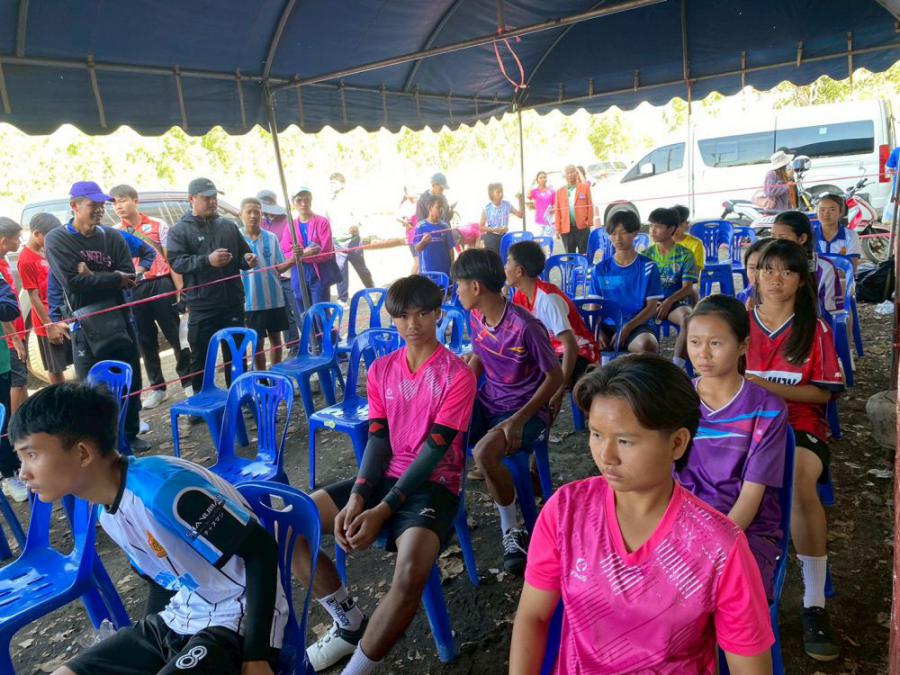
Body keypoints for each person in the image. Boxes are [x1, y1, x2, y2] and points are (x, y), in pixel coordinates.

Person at [509, 355, 774, 673]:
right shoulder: (566, 512)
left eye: (625, 441)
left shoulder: (719, 548)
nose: (605, 456)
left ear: (677, 443)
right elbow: (534, 616)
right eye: (596, 434)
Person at [11, 383, 287, 675]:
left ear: (82, 453)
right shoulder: (106, 509)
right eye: (20, 458)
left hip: (238, 617)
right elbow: (162, 582)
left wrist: (256, 657)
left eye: (32, 455)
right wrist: (149, 651)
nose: (23, 473)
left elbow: (261, 550)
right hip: (183, 614)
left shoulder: (163, 491)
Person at [290, 275, 476, 673]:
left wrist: (383, 509)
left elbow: (434, 452)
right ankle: (348, 622)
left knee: (409, 577)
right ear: (392, 319)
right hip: (384, 476)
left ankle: (357, 669)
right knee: (291, 526)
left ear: (438, 314)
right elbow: (378, 439)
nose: (413, 324)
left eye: (422, 314)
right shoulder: (381, 369)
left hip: (435, 484)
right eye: (403, 316)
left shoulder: (457, 375)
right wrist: (359, 496)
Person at [744, 238, 844, 662]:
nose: (775, 279)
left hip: (799, 424)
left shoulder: (814, 329)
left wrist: (765, 387)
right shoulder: (737, 322)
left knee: (800, 483)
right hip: (743, 425)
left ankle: (814, 603)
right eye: (767, 269)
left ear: (802, 281)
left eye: (787, 271)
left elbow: (823, 395)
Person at [452, 249, 563, 574]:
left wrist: (519, 419)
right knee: (443, 430)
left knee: (484, 452)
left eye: (459, 285)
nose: (456, 292)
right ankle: (450, 511)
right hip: (490, 401)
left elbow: (555, 376)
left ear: (475, 287)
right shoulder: (476, 316)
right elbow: (478, 357)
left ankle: (511, 528)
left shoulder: (525, 326)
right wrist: (459, 393)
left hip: (526, 411)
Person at [679, 294, 789, 601]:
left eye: (716, 343)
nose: (702, 353)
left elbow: (751, 496)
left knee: (719, 596)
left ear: (743, 346)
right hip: (680, 523)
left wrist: (712, 548)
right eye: (694, 342)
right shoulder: (676, 399)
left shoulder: (767, 410)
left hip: (743, 528)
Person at [45, 181, 149, 453]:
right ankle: (102, 443)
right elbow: (72, 283)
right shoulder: (57, 239)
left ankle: (130, 433)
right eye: (93, 205)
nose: (100, 210)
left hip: (120, 317)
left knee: (129, 378)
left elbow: (129, 276)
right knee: (91, 386)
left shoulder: (112, 237)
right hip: (84, 323)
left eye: (102, 205)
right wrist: (113, 277)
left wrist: (93, 275)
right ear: (74, 206)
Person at [168, 178, 258, 394]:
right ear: (191, 199)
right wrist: (207, 260)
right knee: (200, 357)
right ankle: (201, 400)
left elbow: (243, 255)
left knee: (236, 354)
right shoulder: (179, 230)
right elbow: (177, 262)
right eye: (206, 198)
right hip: (202, 305)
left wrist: (248, 259)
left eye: (214, 197)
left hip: (232, 302)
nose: (212, 201)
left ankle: (240, 396)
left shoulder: (228, 226)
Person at [111, 184, 193, 407]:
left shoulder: (158, 224)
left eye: (122, 200)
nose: (118, 206)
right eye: (114, 202)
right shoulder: (114, 232)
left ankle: (188, 381)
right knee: (145, 340)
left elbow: (171, 259)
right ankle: (157, 388)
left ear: (135, 201)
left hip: (161, 284)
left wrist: (180, 290)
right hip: (134, 288)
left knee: (176, 335)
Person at [506, 240, 599, 422]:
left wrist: (559, 389)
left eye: (508, 262)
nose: (505, 267)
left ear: (519, 271)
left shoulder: (548, 299)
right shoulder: (519, 296)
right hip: (550, 352)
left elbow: (571, 346)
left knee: (547, 381)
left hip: (579, 352)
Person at [589, 210, 663, 355]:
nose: (618, 238)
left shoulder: (648, 267)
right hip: (607, 326)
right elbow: (594, 307)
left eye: (623, 232)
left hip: (637, 325)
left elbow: (652, 308)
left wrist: (627, 328)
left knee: (647, 345)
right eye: (613, 233)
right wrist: (597, 331)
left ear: (635, 233)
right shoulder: (600, 269)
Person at [239, 198, 292, 370]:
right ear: (241, 215)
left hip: (274, 298)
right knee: (257, 343)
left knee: (277, 340)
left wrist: (296, 258)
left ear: (262, 214)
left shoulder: (271, 237)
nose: (253, 215)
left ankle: (276, 374)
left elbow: (279, 267)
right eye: (249, 212)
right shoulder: (236, 239)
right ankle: (262, 378)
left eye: (257, 212)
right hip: (251, 302)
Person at [18, 213, 69, 386]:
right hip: (47, 320)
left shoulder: (46, 251)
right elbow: (33, 297)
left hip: (61, 313)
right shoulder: (26, 260)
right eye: (50, 236)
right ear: (36, 234)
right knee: (55, 367)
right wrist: (49, 325)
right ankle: (60, 398)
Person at [645, 207, 698, 367]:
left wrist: (668, 302)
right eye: (651, 226)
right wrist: (651, 303)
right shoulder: (646, 255)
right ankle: (649, 367)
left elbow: (687, 288)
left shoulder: (685, 255)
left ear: (671, 229)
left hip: (676, 302)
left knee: (687, 318)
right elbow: (642, 286)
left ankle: (677, 366)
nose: (653, 230)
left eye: (658, 226)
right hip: (650, 303)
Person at [770, 210, 842, 314]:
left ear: (802, 238)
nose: (776, 243)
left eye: (783, 238)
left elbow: (832, 312)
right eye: (773, 237)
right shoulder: (766, 263)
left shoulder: (824, 268)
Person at [257, 189, 301, 353]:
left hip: (289, 271)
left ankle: (311, 341)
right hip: (270, 276)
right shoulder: (257, 223)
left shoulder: (287, 221)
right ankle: (293, 345)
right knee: (284, 314)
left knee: (298, 309)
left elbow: (292, 245)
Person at [279, 187, 337, 310]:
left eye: (307, 200)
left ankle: (323, 325)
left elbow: (327, 252)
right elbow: (285, 252)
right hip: (298, 273)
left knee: (320, 311)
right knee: (303, 310)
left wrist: (299, 256)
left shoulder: (322, 222)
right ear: (293, 203)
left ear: (311, 201)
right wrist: (306, 253)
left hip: (319, 273)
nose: (303, 203)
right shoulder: (290, 226)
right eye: (299, 200)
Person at [326, 173, 375, 306]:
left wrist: (356, 225)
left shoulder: (350, 199)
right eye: (330, 183)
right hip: (337, 241)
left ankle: (372, 290)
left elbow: (360, 216)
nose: (331, 185)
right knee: (340, 270)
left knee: (361, 268)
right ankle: (342, 299)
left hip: (353, 240)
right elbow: (327, 220)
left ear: (342, 184)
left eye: (334, 183)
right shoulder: (329, 202)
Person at [0, 218, 29, 414]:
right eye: (17, 238)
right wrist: (14, 338)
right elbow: (3, 312)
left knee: (21, 377)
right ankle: (12, 425)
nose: (19, 242)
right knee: (16, 380)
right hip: (8, 338)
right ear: (4, 240)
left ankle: (23, 421)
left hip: (16, 331)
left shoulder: (4, 260)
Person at [0, 274, 24, 501]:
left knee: (4, 419)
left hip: (1, 362)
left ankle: (10, 472)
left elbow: (9, 307)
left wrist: (14, 337)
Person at [815, 193, 861, 272]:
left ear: (841, 212)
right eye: (822, 210)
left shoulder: (850, 235)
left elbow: (852, 269)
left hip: (841, 279)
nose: (826, 214)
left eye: (832, 209)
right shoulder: (810, 235)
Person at [553, 165, 593, 254]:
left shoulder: (585, 188)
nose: (570, 174)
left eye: (572, 172)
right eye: (568, 173)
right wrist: (557, 229)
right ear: (564, 176)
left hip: (583, 227)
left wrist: (589, 223)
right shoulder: (559, 192)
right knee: (570, 255)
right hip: (566, 229)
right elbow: (557, 211)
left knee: (584, 253)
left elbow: (590, 205)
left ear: (576, 173)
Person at [413, 195, 455, 276]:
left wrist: (452, 264)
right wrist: (423, 242)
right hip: (427, 271)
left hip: (444, 270)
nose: (441, 210)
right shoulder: (420, 226)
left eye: (442, 207)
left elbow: (450, 248)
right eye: (438, 207)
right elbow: (417, 248)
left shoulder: (445, 226)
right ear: (430, 208)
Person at [479, 183, 524, 255]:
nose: (501, 194)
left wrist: (520, 201)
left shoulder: (507, 205)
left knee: (506, 257)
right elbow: (481, 227)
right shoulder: (487, 208)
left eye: (501, 191)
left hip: (504, 236)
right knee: (493, 258)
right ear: (491, 194)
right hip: (491, 238)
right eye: (498, 192)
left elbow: (520, 215)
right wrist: (494, 230)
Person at [736, 237, 773, 309]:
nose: (758, 274)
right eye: (752, 268)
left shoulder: (789, 301)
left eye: (767, 269)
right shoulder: (742, 297)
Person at [672, 203, 706, 279]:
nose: (675, 229)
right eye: (672, 225)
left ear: (686, 225)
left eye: (679, 225)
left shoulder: (696, 244)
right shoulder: (661, 243)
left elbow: (695, 274)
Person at [396, 189, 419, 273]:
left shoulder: (417, 203)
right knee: (418, 262)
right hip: (412, 237)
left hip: (417, 236)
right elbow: (397, 217)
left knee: (419, 263)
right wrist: (406, 223)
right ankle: (411, 279)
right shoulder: (406, 205)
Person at [527, 171, 556, 238]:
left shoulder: (551, 191)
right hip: (538, 222)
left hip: (549, 221)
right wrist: (532, 182)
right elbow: (528, 196)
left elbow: (555, 204)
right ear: (537, 180)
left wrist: (553, 209)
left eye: (544, 177)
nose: (543, 179)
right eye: (540, 178)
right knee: (537, 242)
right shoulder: (535, 191)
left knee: (547, 242)